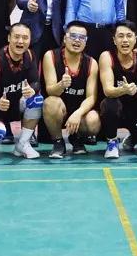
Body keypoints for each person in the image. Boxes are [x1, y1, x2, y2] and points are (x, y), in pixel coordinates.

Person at [0, 23, 43, 159]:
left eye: (25, 38)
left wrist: (32, 89)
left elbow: (36, 82)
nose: (20, 41)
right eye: (16, 37)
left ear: (30, 40)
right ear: (8, 38)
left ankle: (22, 144)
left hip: (16, 105)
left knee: (37, 100)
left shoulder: (30, 55)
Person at [98, 21, 137, 158]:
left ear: (135, 39)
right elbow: (108, 90)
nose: (125, 40)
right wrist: (123, 90)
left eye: (129, 36)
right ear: (114, 40)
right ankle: (112, 142)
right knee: (110, 103)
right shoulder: (107, 57)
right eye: (120, 36)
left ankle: (135, 137)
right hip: (115, 111)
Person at [42, 22, 100, 159]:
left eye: (82, 37)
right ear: (64, 38)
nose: (77, 40)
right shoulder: (50, 56)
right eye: (73, 36)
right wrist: (61, 85)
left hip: (78, 113)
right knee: (51, 103)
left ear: (86, 42)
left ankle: (77, 139)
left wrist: (78, 114)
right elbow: (50, 91)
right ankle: (58, 142)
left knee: (94, 121)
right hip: (59, 111)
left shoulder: (92, 63)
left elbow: (91, 97)